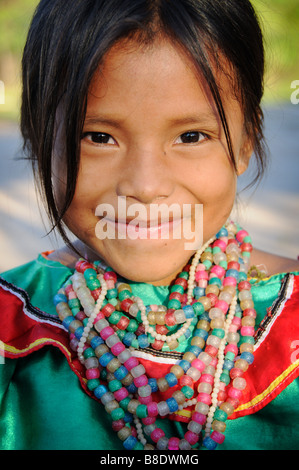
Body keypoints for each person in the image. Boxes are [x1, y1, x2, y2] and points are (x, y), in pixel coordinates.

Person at [0, 0, 298, 452]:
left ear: (246, 143)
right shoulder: (12, 329)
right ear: (43, 140)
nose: (145, 185)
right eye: (98, 137)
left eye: (191, 136)